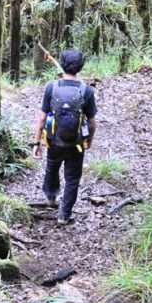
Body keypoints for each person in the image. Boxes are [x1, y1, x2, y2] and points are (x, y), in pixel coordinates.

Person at [32, 50, 97, 225]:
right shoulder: (87, 91)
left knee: (52, 166)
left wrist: (36, 142)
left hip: (54, 140)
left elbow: (42, 118)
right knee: (73, 177)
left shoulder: (51, 88)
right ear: (81, 66)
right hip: (76, 143)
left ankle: (51, 198)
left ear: (62, 64)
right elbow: (92, 122)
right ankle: (64, 215)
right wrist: (89, 139)